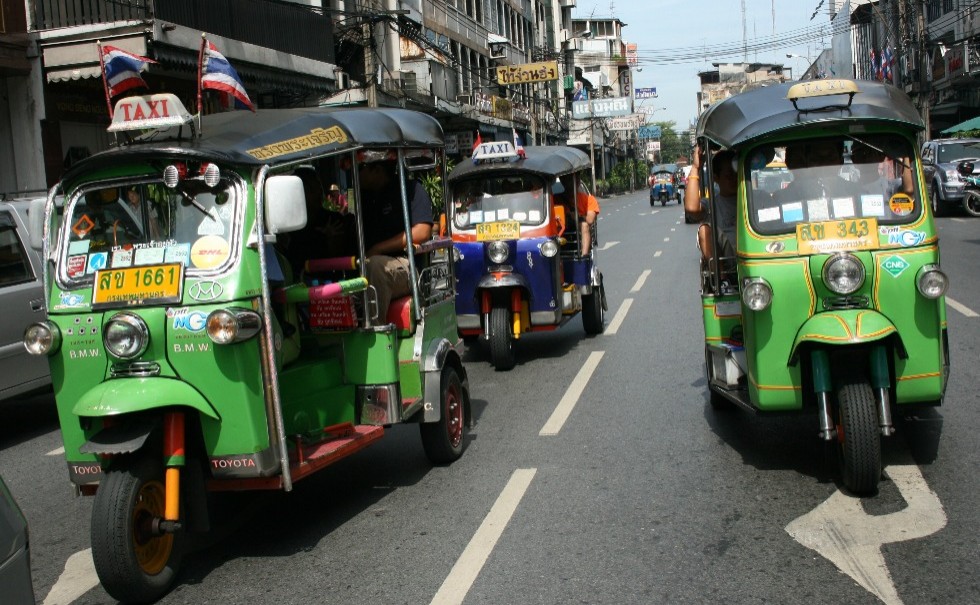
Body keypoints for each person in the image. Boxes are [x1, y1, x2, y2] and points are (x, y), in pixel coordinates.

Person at [359, 157, 433, 323]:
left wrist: (379, 249)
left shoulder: (410, 189)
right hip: (363, 262)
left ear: (377, 170)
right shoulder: (361, 197)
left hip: (405, 264)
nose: (355, 173)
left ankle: (374, 332)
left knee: (375, 266)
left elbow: (423, 231)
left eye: (360, 167)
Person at [684, 147, 737, 262]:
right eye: (729, 175)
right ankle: (723, 279)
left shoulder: (760, 197)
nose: (735, 178)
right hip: (730, 263)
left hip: (758, 256)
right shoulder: (712, 205)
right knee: (704, 230)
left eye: (737, 173)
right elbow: (691, 209)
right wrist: (695, 167)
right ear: (716, 178)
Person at [575, 181, 600, 256]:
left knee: (584, 225)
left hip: (578, 227)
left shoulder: (589, 199)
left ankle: (584, 256)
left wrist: (577, 216)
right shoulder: (555, 199)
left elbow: (590, 220)